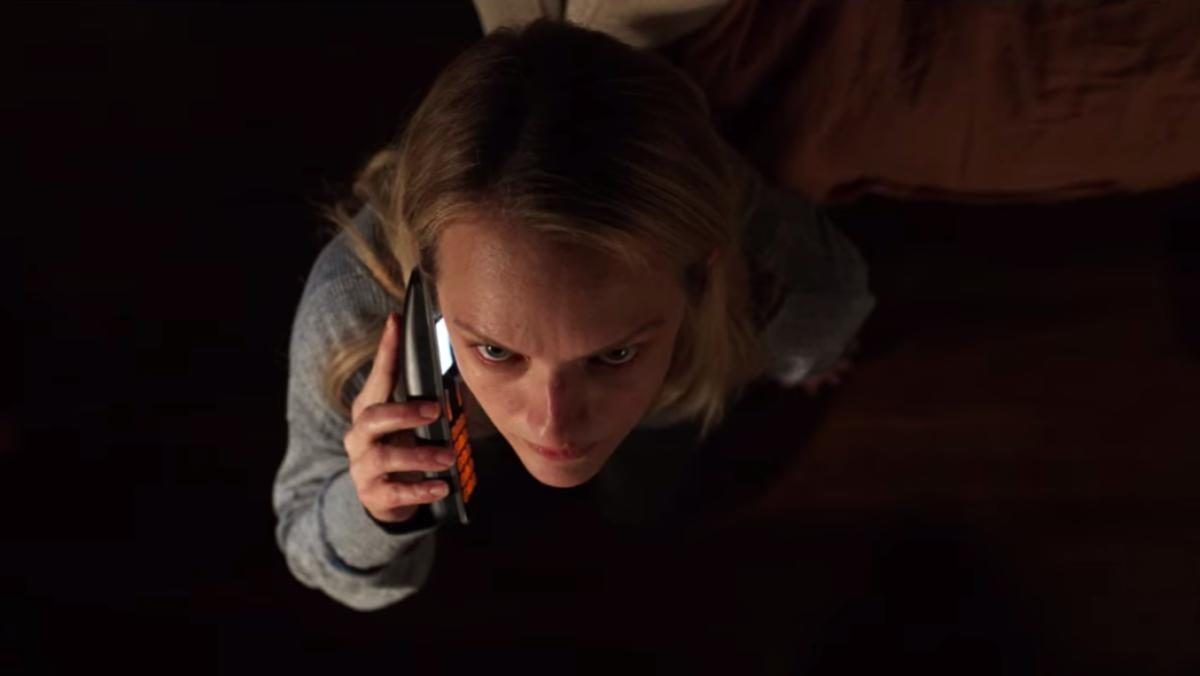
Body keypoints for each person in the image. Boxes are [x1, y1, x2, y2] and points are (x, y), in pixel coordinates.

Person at [272, 18, 875, 611]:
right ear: (428, 284)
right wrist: (371, 510)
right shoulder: (353, 314)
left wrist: (806, 352)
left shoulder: (759, 253)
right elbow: (305, 541)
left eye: (614, 353)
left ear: (701, 279)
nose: (554, 428)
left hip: (667, 430)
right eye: (496, 350)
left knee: (645, 502)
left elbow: (835, 305)